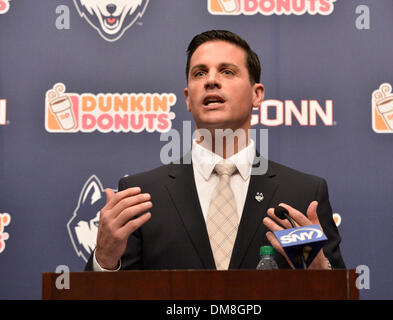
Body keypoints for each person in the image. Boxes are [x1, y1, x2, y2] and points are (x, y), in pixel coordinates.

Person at [85, 30, 345, 271]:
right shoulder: (141, 196)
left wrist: (318, 270)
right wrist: (105, 260)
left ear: (257, 94)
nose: (211, 81)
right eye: (200, 73)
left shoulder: (301, 194)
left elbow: (338, 293)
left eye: (227, 72)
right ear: (188, 98)